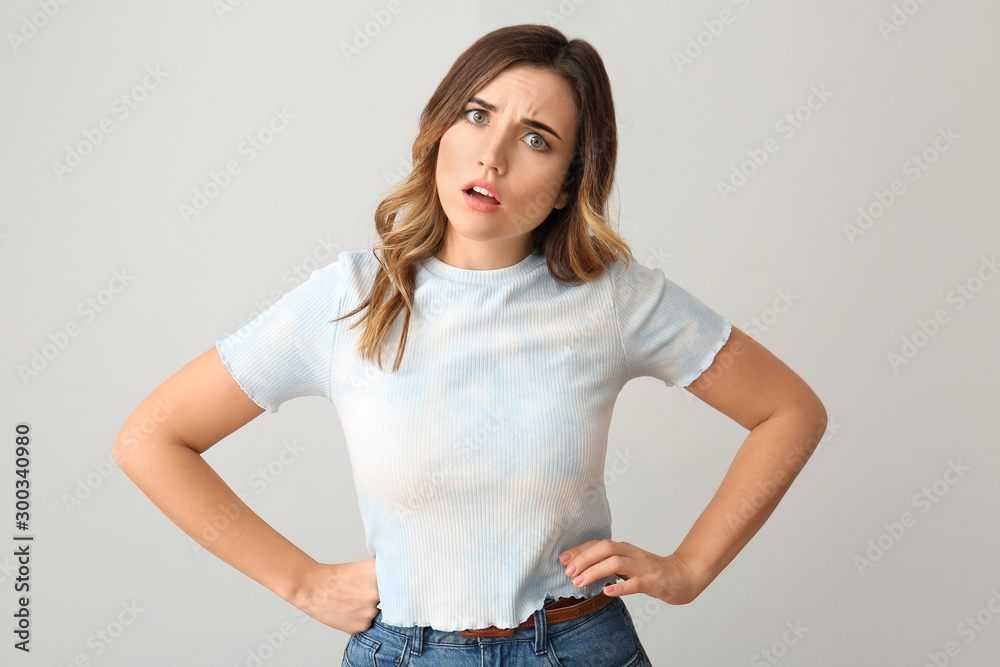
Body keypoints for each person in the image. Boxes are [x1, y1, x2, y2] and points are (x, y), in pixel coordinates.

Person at [112, 23, 827, 667]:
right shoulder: (351, 298)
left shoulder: (611, 297)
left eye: (536, 138)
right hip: (405, 650)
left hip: (577, 645)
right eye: (477, 114)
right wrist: (303, 582)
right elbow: (150, 437)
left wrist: (691, 567)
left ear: (564, 185)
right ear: (440, 130)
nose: (492, 154)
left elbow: (790, 411)